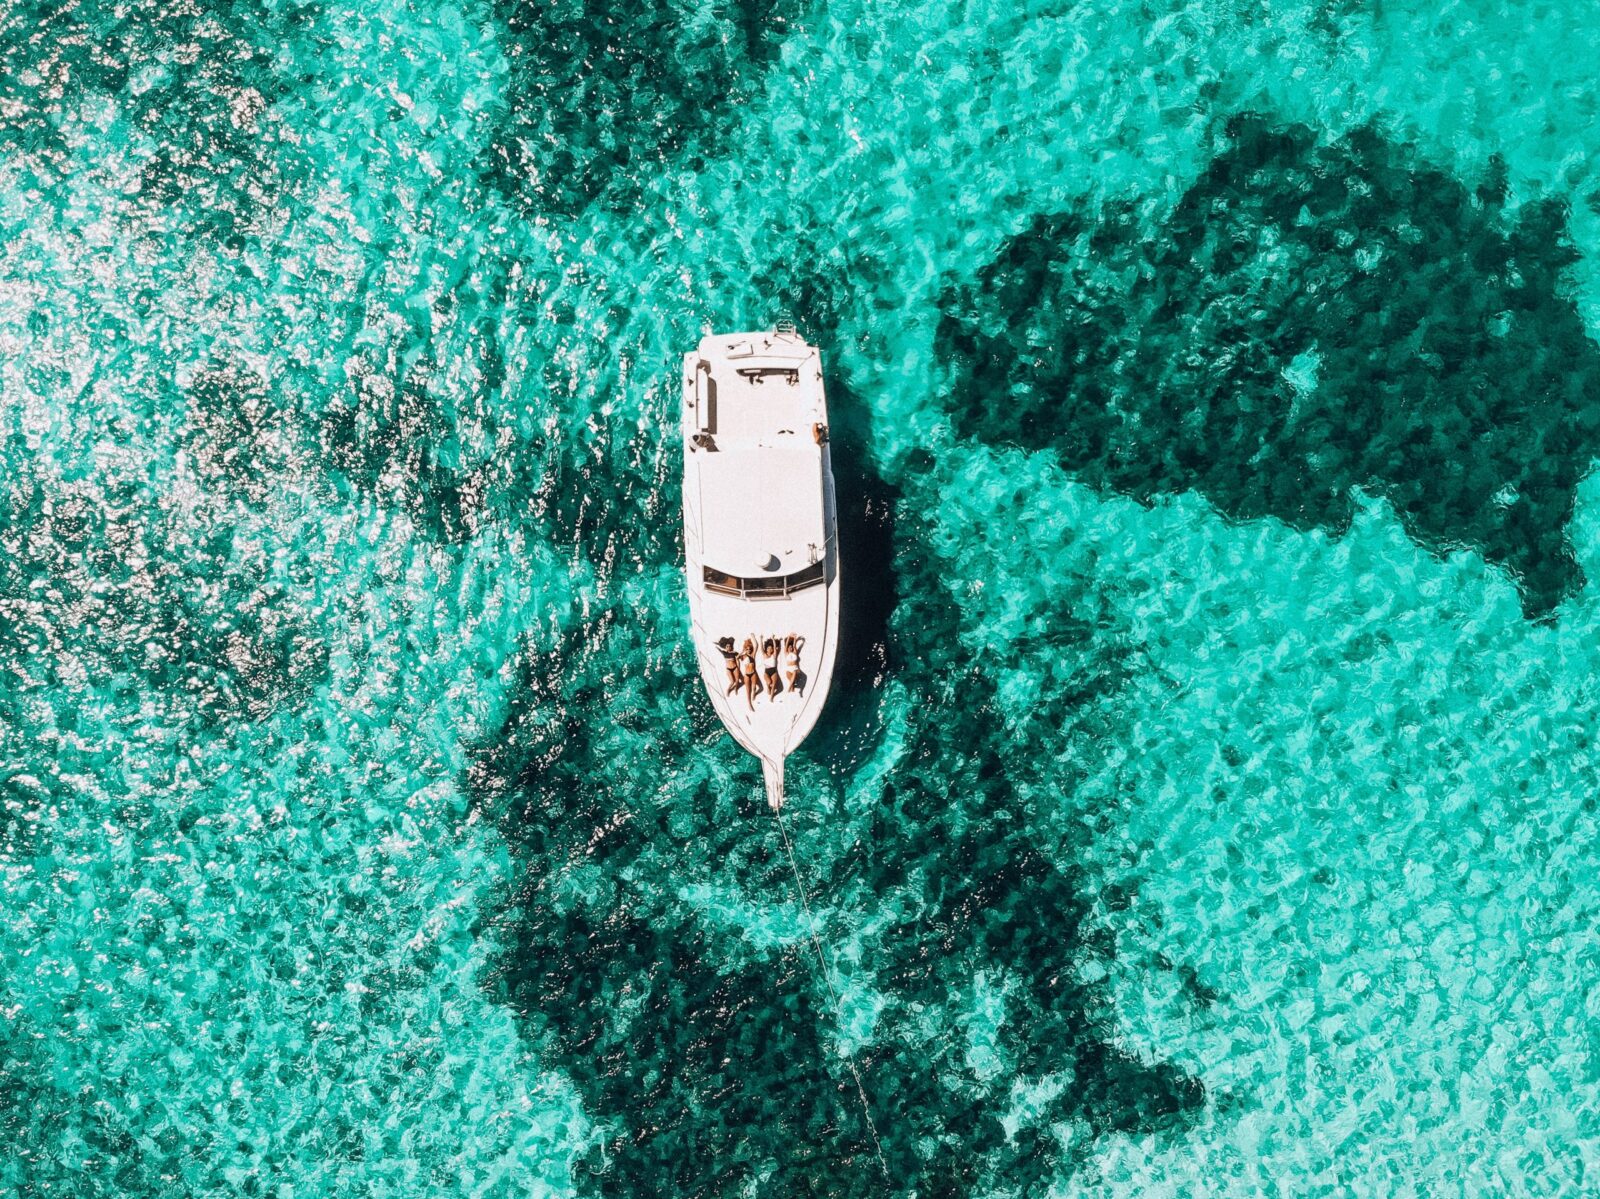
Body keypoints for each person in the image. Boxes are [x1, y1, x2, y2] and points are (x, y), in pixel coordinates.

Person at [739, 637, 761, 710]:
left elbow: (756, 645)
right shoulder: (743, 656)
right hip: (747, 674)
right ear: (745, 649)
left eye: (749, 649)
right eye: (747, 649)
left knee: (754, 687)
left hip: (753, 673)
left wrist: (753, 637)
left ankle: (754, 694)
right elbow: (737, 658)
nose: (749, 650)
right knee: (748, 690)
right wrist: (742, 651)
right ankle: (749, 703)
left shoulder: (752, 655)